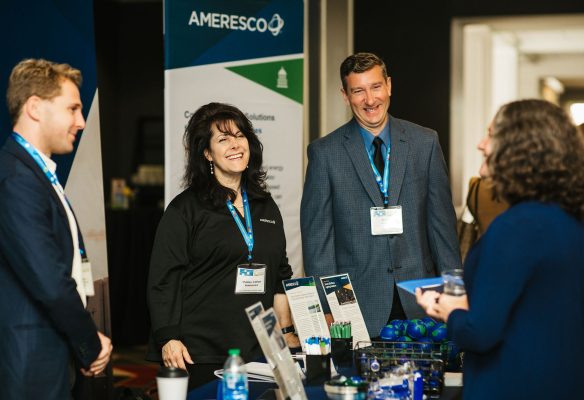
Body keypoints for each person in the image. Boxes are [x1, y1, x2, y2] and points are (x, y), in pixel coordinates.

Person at [417, 99, 584, 399]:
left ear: (519, 149)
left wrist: (448, 310)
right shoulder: (568, 220)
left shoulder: (516, 227)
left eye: (491, 134)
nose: (481, 144)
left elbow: (479, 333)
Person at [300, 52, 461, 337]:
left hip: (422, 305)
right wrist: (333, 309)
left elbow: (442, 230)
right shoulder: (325, 153)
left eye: (375, 87)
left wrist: (455, 295)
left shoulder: (425, 143)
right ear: (345, 96)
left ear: (389, 85)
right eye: (358, 91)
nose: (370, 99)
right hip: (357, 308)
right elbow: (319, 242)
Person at [0, 59, 112, 399]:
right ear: (36, 107)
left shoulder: (32, 173)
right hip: (26, 365)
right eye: (72, 108)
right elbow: (49, 281)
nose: (81, 122)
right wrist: (89, 343)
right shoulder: (16, 180)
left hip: (47, 355)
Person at [147, 102, 299, 389]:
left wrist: (287, 332)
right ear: (207, 153)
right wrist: (168, 338)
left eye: (240, 135)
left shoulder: (265, 205)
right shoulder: (186, 209)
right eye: (223, 139)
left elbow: (280, 274)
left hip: (260, 350)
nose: (235, 145)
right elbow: (163, 278)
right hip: (202, 351)